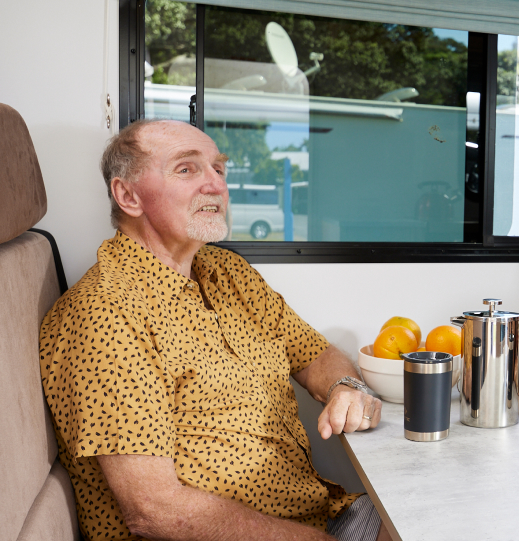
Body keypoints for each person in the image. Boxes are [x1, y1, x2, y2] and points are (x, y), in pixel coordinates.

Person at [39, 119, 390, 541]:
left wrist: (346, 386)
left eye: (219, 169)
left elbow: (312, 351)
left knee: (421, 504)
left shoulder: (228, 272)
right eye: (186, 169)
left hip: (313, 516)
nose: (216, 186)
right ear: (128, 196)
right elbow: (155, 510)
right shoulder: (105, 313)